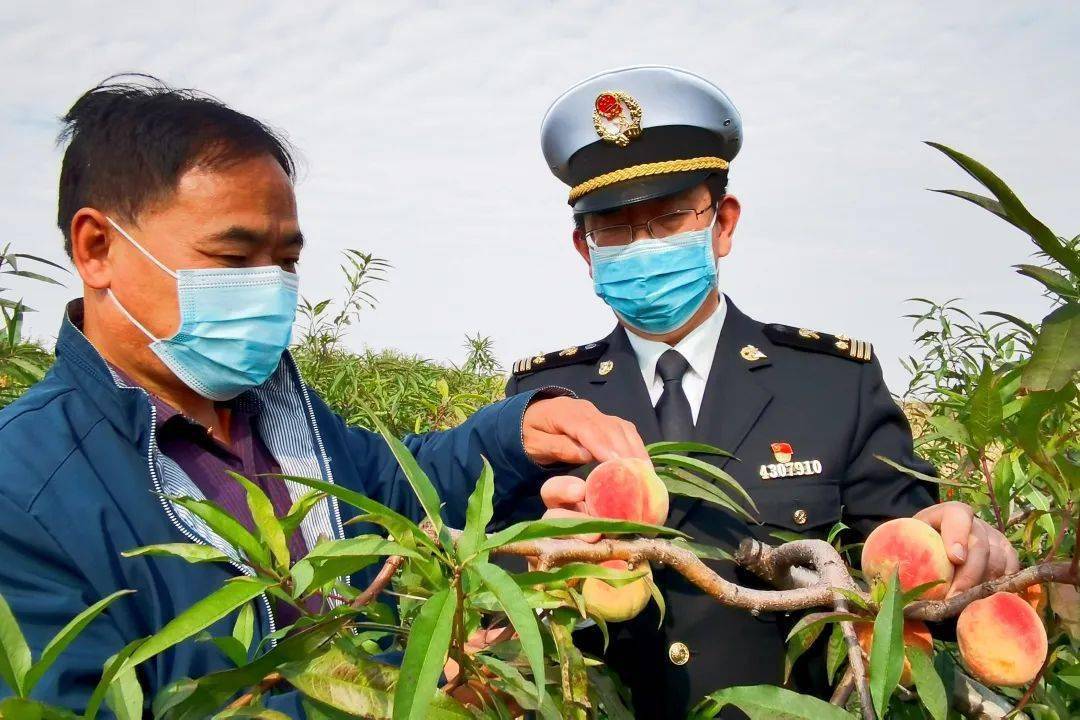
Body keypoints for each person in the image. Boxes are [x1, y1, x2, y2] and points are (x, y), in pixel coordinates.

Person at [0, 76, 649, 715]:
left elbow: (401, 487)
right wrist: (402, 698)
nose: (269, 288)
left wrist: (518, 434)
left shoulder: (278, 415)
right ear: (97, 248)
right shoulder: (21, 491)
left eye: (285, 261)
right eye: (233, 257)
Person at [505, 65, 1019, 718]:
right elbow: (498, 596)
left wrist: (965, 560)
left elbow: (911, 574)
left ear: (722, 224)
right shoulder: (544, 401)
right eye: (614, 229)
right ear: (585, 248)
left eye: (669, 219)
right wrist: (538, 566)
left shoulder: (834, 385)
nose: (643, 247)